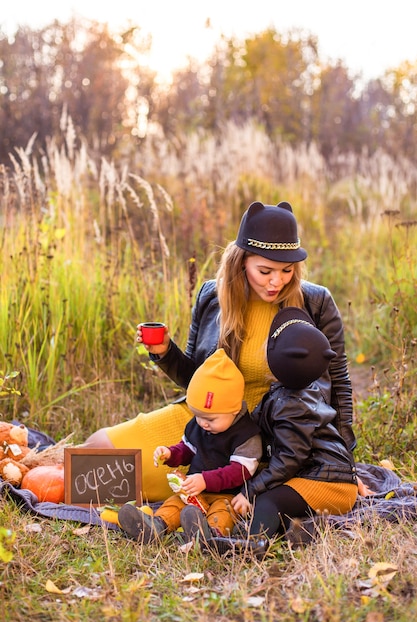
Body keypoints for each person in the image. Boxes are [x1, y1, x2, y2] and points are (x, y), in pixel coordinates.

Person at [84, 200, 357, 502]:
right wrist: (164, 352)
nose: (277, 281)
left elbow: (339, 384)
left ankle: (227, 486)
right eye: (265, 270)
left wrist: (345, 465)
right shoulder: (211, 296)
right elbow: (195, 380)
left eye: (287, 270)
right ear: (242, 261)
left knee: (123, 481)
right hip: (209, 420)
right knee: (97, 451)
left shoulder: (316, 303)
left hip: (273, 433)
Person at [230, 307, 358, 542]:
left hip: (328, 482)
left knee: (269, 500)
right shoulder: (298, 392)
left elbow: (289, 459)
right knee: (278, 499)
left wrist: (251, 489)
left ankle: (252, 542)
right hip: (324, 476)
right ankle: (305, 529)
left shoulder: (292, 406)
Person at [117, 349, 262, 544]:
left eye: (210, 418)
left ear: (234, 409)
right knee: (175, 504)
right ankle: (156, 526)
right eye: (198, 415)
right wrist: (170, 453)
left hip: (229, 494)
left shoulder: (247, 435)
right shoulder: (198, 425)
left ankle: (210, 534)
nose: (203, 423)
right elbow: (187, 449)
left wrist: (205, 480)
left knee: (223, 511)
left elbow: (240, 471)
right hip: (194, 492)